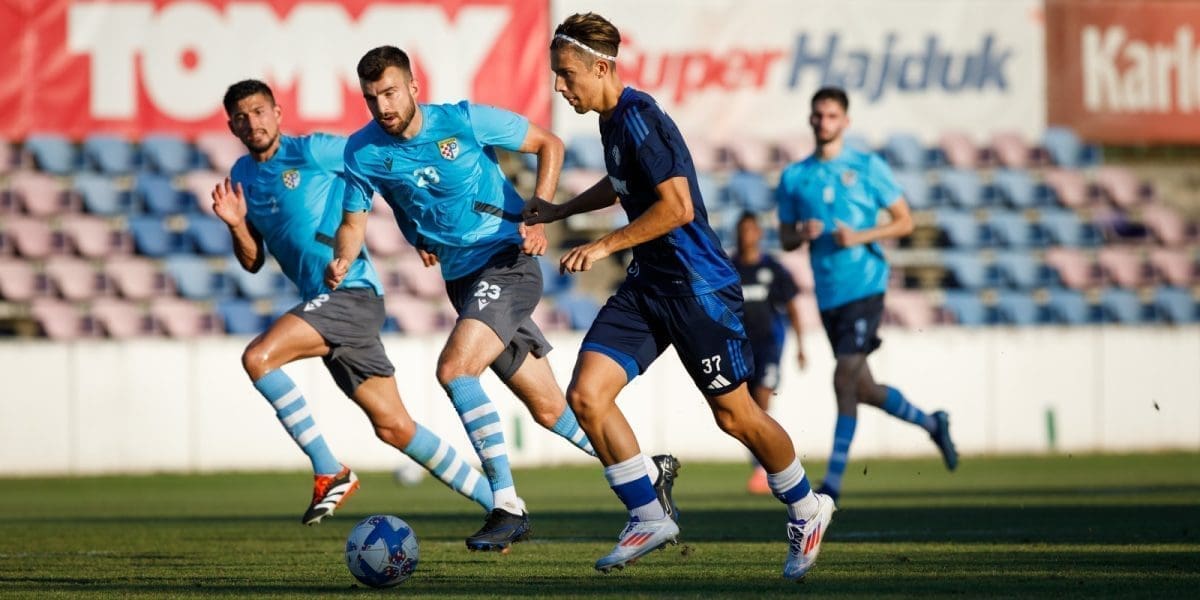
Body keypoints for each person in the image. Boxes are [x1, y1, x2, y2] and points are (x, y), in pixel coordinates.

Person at [325, 46, 679, 553]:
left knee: (454, 370)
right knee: (549, 408)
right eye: (371, 98)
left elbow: (548, 143)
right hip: (462, 279)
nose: (382, 106)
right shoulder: (361, 151)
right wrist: (345, 257)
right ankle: (649, 473)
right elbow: (356, 221)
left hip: (506, 263)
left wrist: (538, 211)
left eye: (389, 92)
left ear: (413, 87)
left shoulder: (464, 120)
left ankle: (507, 505)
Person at [523, 12, 835, 580]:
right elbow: (623, 184)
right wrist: (563, 210)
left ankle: (807, 508)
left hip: (697, 288)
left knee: (735, 416)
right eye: (555, 76)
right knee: (587, 395)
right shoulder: (612, 122)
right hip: (650, 285)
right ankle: (648, 512)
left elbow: (678, 208)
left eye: (566, 75)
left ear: (600, 67)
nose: (559, 87)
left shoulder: (640, 116)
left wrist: (601, 246)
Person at [212, 79, 496, 526]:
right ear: (232, 126)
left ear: (278, 112)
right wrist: (235, 225)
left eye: (260, 111)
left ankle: (329, 469)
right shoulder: (243, 177)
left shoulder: (315, 151)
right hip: (326, 304)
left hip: (351, 294)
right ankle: (500, 504)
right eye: (243, 117)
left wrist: (419, 228)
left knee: (258, 357)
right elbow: (252, 262)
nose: (254, 122)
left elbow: (379, 164)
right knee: (394, 427)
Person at [776, 86, 959, 506]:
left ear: (846, 122)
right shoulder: (795, 177)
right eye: (818, 115)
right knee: (864, 388)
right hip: (828, 293)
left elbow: (904, 221)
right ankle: (932, 423)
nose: (824, 122)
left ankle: (832, 486)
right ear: (810, 120)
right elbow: (785, 238)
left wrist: (861, 236)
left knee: (842, 378)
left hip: (866, 285)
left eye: (832, 116)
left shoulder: (867, 166)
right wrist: (800, 233)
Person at [731, 212, 807, 495]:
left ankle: (768, 466)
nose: (747, 234)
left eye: (751, 229)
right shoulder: (729, 268)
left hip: (769, 345)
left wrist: (800, 346)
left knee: (762, 397)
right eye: (742, 229)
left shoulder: (773, 269)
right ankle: (761, 463)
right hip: (739, 346)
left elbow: (792, 307)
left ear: (759, 234)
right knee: (743, 408)